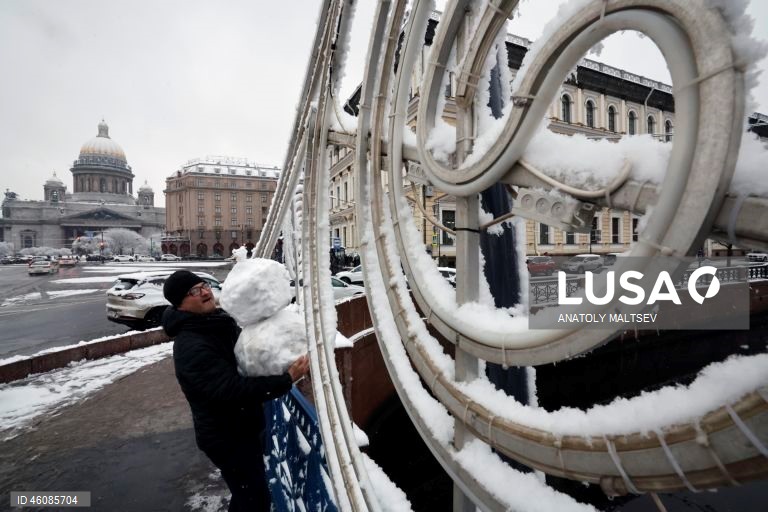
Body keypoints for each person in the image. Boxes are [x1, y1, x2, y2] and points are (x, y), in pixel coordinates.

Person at [161, 270, 309, 511]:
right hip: (227, 438)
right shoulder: (191, 346)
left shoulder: (214, 323)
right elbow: (233, 390)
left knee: (248, 494)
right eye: (194, 291)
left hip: (240, 428)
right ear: (181, 303)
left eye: (204, 285)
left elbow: (245, 353)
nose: (206, 292)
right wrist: (286, 379)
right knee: (254, 499)